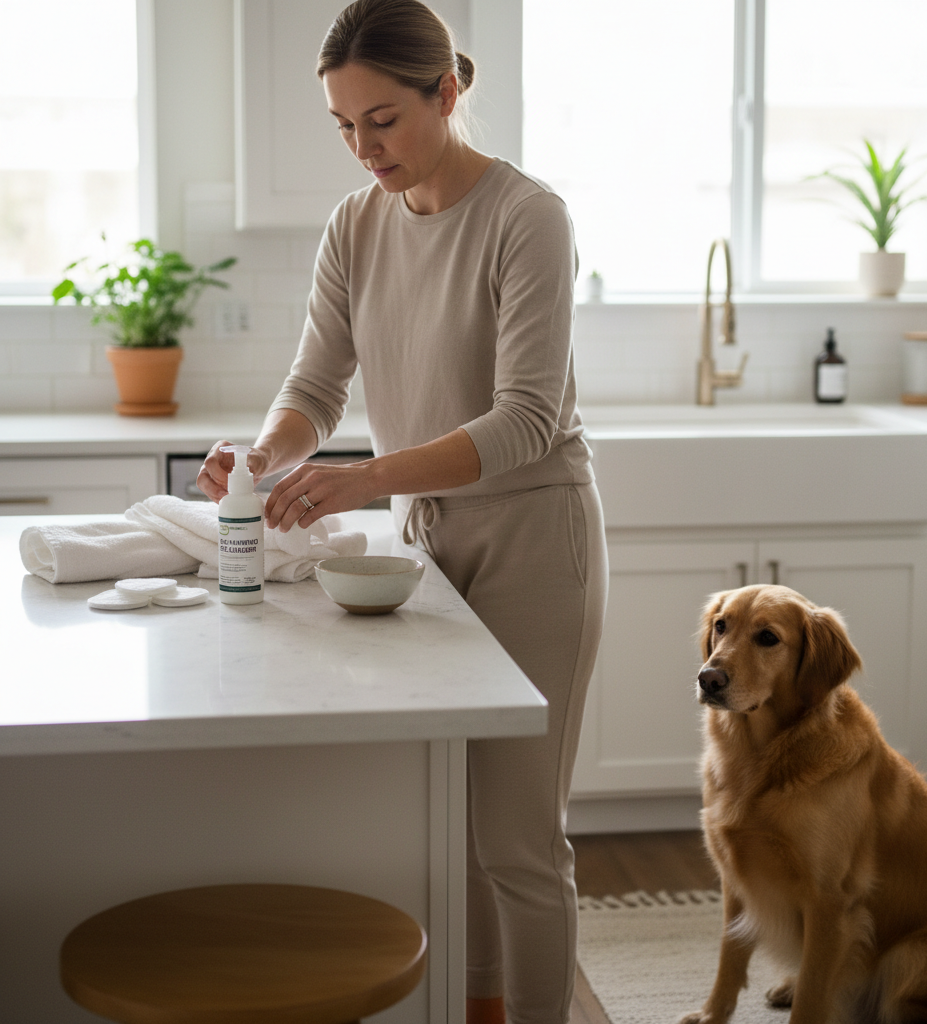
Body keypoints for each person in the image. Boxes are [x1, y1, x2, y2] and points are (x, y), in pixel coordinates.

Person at [197, 2, 608, 1022]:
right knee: (448, 826)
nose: (362, 148)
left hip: (532, 538)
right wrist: (261, 457)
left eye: (381, 119)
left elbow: (523, 420)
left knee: (517, 839)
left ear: (447, 93)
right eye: (343, 125)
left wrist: (367, 479)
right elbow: (315, 387)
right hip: (431, 539)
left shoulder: (528, 216)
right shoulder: (355, 223)